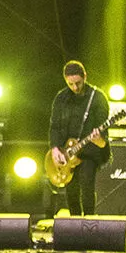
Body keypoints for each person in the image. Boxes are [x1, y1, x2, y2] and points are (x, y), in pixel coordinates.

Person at [47, 61, 111, 217]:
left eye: (78, 83)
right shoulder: (61, 98)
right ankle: (75, 225)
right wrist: (55, 148)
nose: (75, 87)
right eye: (70, 84)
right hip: (67, 152)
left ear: (85, 77)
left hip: (89, 152)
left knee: (87, 186)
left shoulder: (97, 98)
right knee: (71, 191)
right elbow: (54, 126)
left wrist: (99, 140)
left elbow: (103, 136)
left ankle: (89, 223)